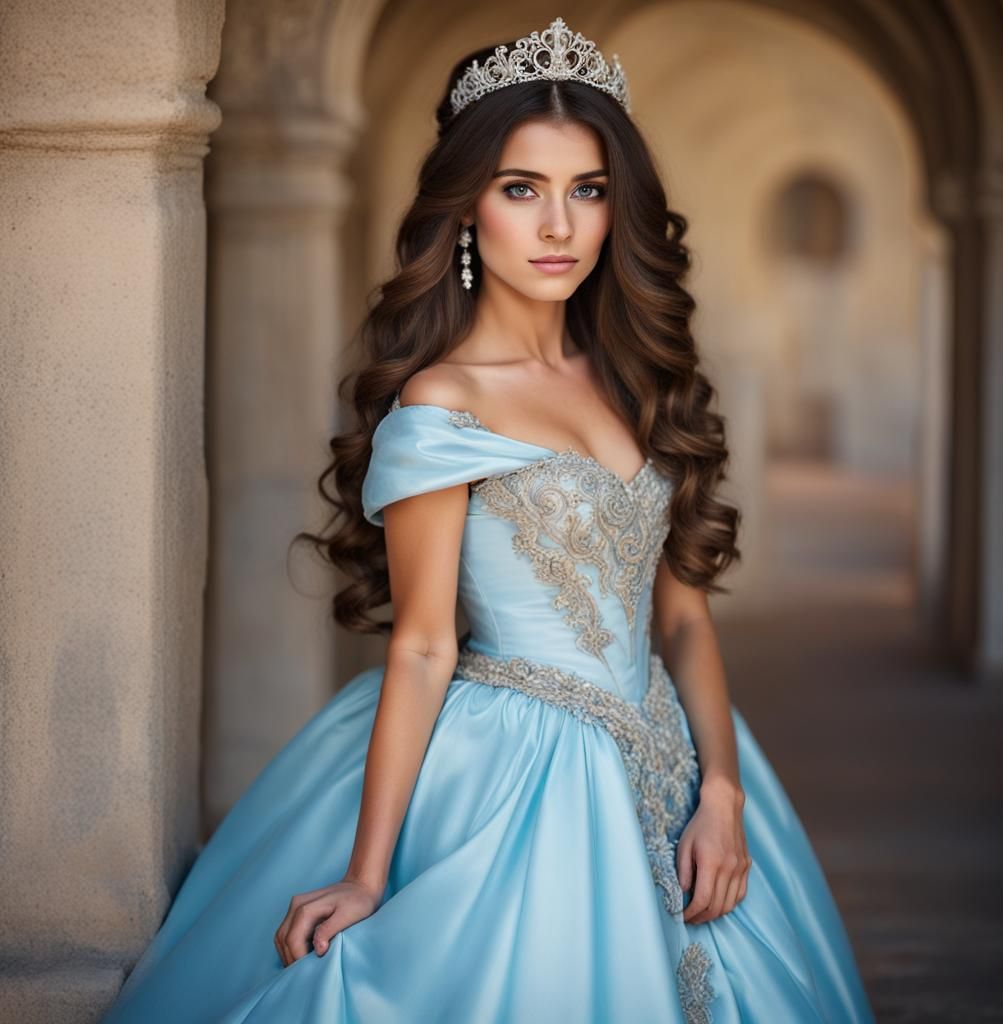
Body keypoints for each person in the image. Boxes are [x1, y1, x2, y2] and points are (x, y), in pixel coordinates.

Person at [102, 16, 875, 1023]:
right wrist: (369, 875)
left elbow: (681, 618)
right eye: (522, 189)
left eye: (586, 191)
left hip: (676, 759)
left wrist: (722, 793)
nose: (559, 225)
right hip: (515, 769)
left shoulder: (637, 380)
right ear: (467, 208)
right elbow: (423, 644)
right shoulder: (442, 402)